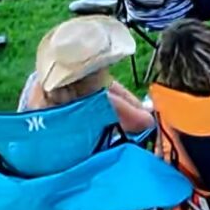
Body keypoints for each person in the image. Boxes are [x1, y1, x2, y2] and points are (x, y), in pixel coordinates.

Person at [21, 17, 155, 133]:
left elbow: (107, 84)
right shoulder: (99, 105)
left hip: (41, 159)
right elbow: (147, 123)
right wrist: (140, 108)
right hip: (92, 160)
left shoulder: (35, 83)